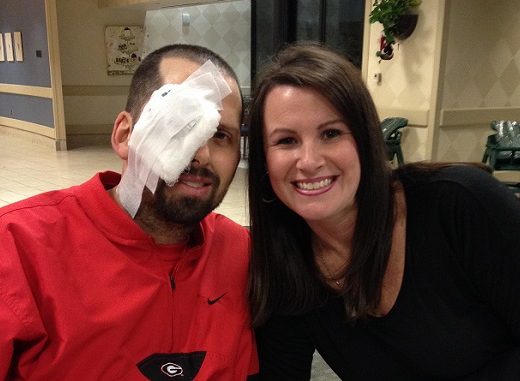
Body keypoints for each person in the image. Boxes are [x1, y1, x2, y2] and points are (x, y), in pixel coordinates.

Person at [247, 42, 520, 380]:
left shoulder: (459, 203)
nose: (310, 161)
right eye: (286, 141)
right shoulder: (285, 264)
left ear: (364, 139)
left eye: (331, 133)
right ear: (264, 161)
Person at [0, 44, 258, 380]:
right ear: (125, 135)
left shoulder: (240, 252)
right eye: (180, 125)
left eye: (221, 135)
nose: (202, 155)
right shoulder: (17, 248)